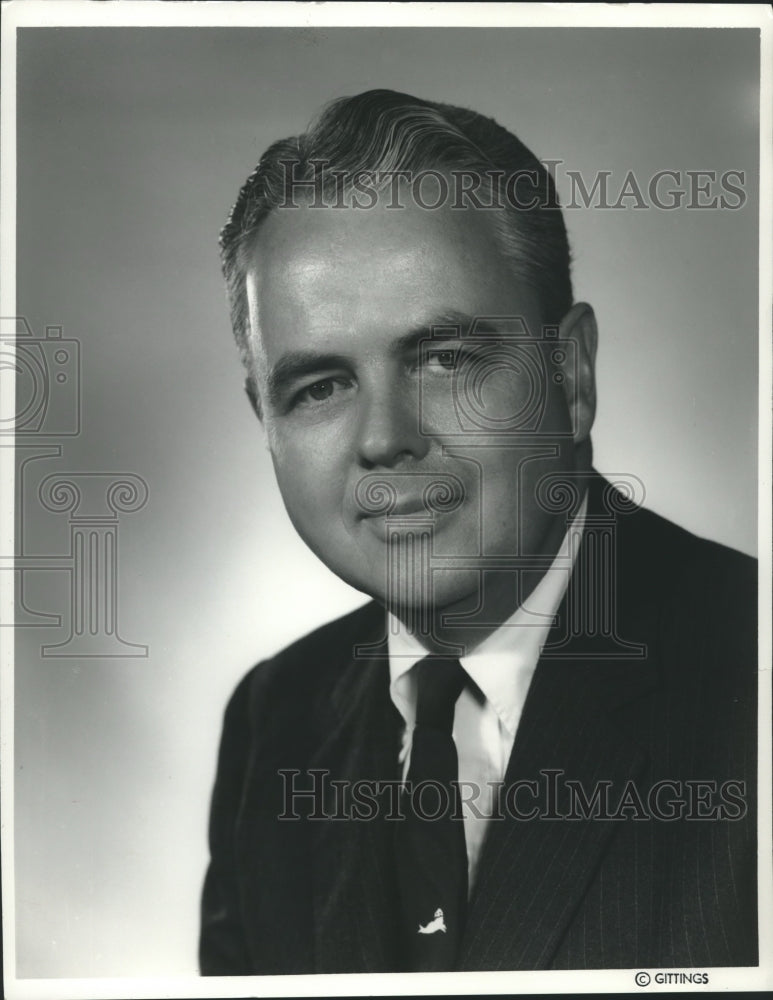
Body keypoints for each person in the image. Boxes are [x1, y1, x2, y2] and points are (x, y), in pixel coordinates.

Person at [199, 89, 757, 974]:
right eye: (319, 387)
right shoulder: (276, 723)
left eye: (445, 358)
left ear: (570, 376)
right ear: (263, 418)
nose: (384, 438)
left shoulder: (749, 673)